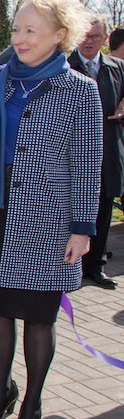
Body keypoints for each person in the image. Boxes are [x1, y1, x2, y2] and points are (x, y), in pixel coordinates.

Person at [0, 0, 101, 419]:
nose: (19, 38)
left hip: (47, 220)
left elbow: (88, 163)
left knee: (38, 317)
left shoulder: (79, 90)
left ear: (60, 36)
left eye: (30, 30)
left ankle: (32, 402)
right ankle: (3, 392)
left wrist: (83, 227)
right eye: (15, 29)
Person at [69, 15, 122, 289]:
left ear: (105, 40)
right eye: (84, 36)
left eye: (95, 37)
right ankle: (72, 268)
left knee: (102, 212)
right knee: (75, 214)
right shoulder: (66, 66)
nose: (89, 41)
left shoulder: (117, 68)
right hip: (75, 156)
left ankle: (96, 267)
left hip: (108, 153)